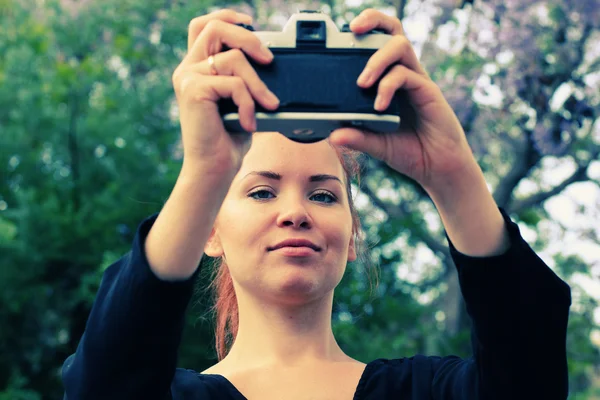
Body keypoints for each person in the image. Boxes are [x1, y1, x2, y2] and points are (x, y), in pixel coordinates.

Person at [61, 8, 572, 400]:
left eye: (324, 195)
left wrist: (453, 173)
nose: (295, 212)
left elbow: (530, 372)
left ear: (351, 236)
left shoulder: (427, 390)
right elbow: (99, 384)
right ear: (208, 233)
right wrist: (204, 174)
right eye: (261, 190)